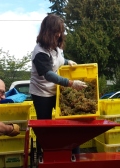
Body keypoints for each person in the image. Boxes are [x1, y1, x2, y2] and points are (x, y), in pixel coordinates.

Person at [29, 14, 87, 160]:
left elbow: (57, 61)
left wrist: (67, 62)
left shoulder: (56, 46)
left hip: (56, 89)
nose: (59, 34)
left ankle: (75, 156)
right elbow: (48, 74)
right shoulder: (39, 52)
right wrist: (71, 83)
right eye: (56, 31)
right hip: (42, 93)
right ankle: (46, 157)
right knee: (45, 127)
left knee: (70, 122)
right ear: (48, 31)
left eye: (60, 31)